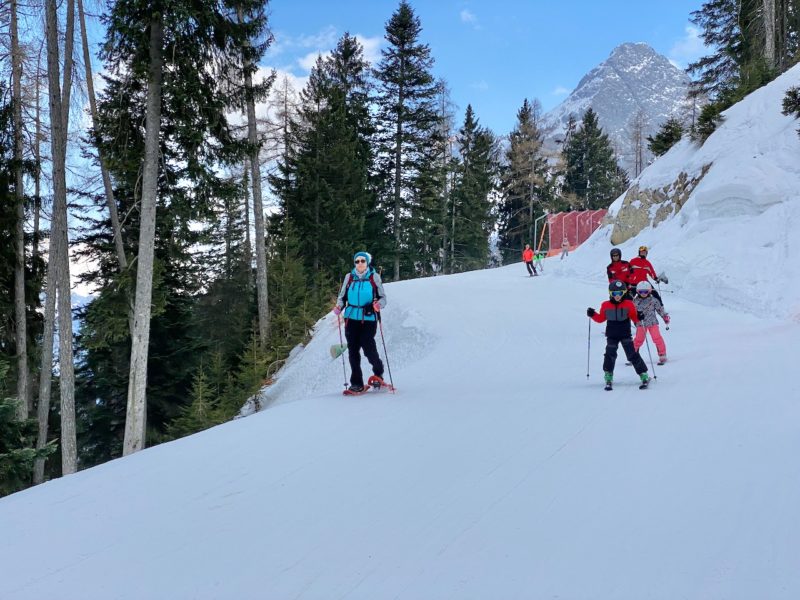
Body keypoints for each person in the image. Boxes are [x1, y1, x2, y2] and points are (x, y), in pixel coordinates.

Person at [333, 251, 387, 393]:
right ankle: (356, 382)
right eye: (357, 261)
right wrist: (339, 306)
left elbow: (383, 298)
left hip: (368, 318)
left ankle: (378, 371)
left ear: (367, 262)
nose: (360, 264)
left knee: (369, 349)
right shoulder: (349, 277)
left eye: (363, 261)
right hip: (351, 318)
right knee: (353, 351)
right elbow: (342, 295)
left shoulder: (374, 277)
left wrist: (378, 305)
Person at [586, 279, 650, 390]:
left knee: (632, 355)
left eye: (620, 293)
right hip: (612, 335)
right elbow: (601, 319)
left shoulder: (629, 304)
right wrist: (592, 314)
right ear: (610, 293)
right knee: (610, 354)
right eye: (614, 293)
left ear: (624, 293)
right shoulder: (606, 305)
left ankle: (643, 373)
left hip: (625, 334)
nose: (617, 296)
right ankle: (608, 375)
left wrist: (639, 316)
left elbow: (634, 318)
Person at [632, 281, 670, 365]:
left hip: (652, 323)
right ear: (638, 292)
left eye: (645, 291)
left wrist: (665, 317)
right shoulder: (635, 301)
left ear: (649, 291)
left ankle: (662, 354)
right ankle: (633, 355)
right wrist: (635, 318)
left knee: (657, 338)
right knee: (638, 340)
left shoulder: (653, 300)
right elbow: (632, 312)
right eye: (641, 292)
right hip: (641, 324)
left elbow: (660, 310)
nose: (643, 293)